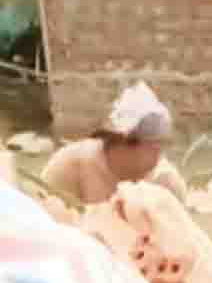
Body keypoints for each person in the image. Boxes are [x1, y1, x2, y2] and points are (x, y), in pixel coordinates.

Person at [40, 83, 189, 205]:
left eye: (159, 145)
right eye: (152, 146)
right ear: (119, 141)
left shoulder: (166, 184)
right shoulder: (69, 166)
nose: (157, 154)